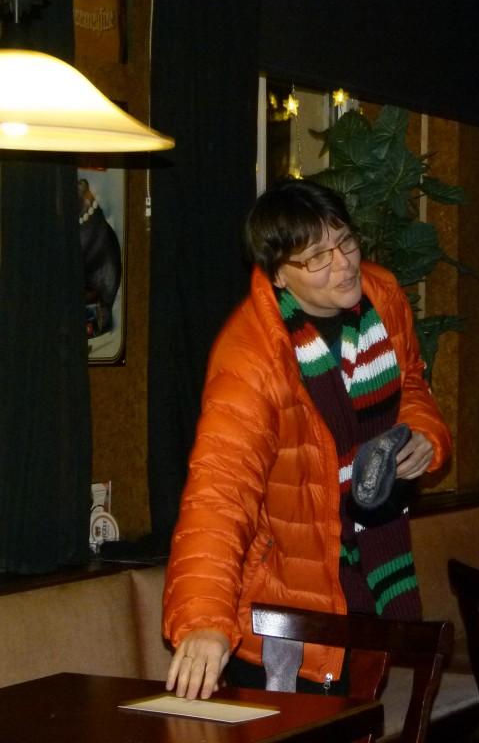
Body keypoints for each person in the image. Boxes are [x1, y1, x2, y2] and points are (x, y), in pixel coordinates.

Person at [162, 178, 452, 701]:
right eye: (317, 257)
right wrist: (203, 619)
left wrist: (425, 433)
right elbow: (219, 491)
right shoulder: (250, 356)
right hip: (286, 598)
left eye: (345, 242)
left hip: (372, 569)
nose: (343, 264)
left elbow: (410, 381)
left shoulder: (383, 295)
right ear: (278, 274)